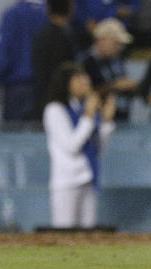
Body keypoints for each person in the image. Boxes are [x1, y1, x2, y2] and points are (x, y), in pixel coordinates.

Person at [43, 61, 116, 229]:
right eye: (79, 80)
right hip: (66, 180)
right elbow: (72, 146)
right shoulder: (55, 110)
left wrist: (106, 121)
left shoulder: (83, 110)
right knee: (64, 230)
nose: (86, 84)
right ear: (67, 84)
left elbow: (98, 148)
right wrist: (89, 115)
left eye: (86, 80)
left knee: (89, 233)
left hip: (88, 176)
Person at [0, 0, 50, 122]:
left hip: (16, 86)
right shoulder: (51, 14)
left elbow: (2, 53)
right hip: (46, 86)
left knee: (14, 141)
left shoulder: (13, 14)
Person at [30, 0, 78, 119]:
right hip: (55, 99)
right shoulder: (62, 37)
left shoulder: (41, 34)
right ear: (70, 8)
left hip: (42, 96)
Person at [80, 18, 138, 123]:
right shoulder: (86, 63)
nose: (121, 48)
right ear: (102, 40)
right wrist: (114, 86)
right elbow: (84, 94)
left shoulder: (117, 61)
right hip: (97, 120)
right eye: (117, 43)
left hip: (121, 118)